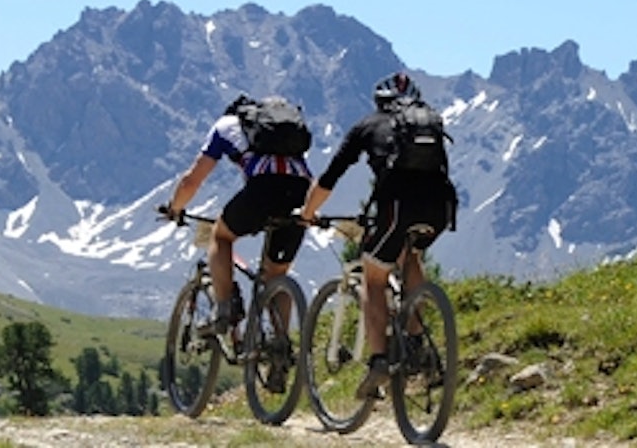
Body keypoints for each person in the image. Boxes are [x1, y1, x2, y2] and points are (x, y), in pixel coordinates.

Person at [298, 71, 457, 399]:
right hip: (439, 208)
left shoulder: (368, 126)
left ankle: (380, 360)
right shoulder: (430, 124)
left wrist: (308, 213)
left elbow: (330, 177)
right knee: (411, 253)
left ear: (378, 102)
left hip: (398, 208)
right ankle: (414, 342)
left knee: (373, 278)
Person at [165, 95, 314, 371]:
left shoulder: (225, 126)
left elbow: (193, 179)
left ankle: (224, 310)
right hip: (301, 193)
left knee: (221, 237)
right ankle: (280, 345)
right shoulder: (287, 131)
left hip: (262, 189)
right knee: (276, 274)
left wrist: (175, 208)